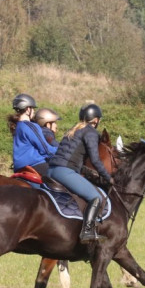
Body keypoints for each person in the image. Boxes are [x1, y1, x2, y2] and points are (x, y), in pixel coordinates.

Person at [48, 103, 112, 243]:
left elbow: (75, 158)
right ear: (96, 120)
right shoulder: (91, 132)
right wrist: (108, 178)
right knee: (96, 197)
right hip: (64, 171)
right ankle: (87, 231)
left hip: (52, 170)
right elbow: (95, 160)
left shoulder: (73, 130)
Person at [8, 93, 56, 178]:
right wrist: (61, 152)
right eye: (32, 108)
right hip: (35, 164)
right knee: (59, 176)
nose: (34, 111)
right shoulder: (30, 126)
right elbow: (45, 149)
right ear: (27, 110)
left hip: (19, 166)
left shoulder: (18, 125)